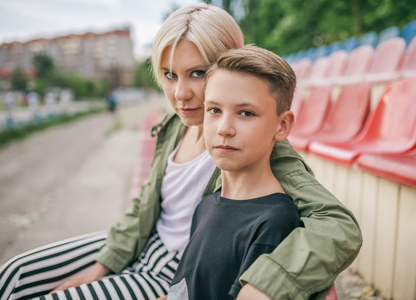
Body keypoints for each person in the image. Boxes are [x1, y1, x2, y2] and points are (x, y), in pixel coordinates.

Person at [0, 3, 362, 300]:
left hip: (179, 272)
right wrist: (103, 264)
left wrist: (266, 281)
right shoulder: (175, 124)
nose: (181, 93)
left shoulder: (259, 147)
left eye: (198, 73)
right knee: (13, 273)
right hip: (143, 244)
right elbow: (146, 204)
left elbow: (338, 226)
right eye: (170, 75)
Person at [161, 44, 300, 300]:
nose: (225, 128)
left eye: (246, 113)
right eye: (214, 110)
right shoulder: (206, 205)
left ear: (282, 125)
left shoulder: (274, 222)